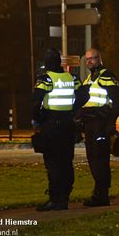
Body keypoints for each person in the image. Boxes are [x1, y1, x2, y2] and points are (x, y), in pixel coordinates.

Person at [31, 48, 89, 211]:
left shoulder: (46, 79)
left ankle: (55, 199)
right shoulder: (72, 78)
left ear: (47, 63)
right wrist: (72, 108)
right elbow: (85, 96)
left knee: (53, 163)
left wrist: (38, 119)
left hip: (51, 124)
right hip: (68, 124)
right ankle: (64, 197)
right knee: (66, 161)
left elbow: (36, 102)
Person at [80, 48, 119, 207]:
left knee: (99, 159)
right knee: (93, 159)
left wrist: (111, 123)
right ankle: (99, 192)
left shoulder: (106, 76)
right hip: (90, 124)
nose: (90, 61)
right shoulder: (90, 79)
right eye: (87, 59)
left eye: (93, 58)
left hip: (100, 124)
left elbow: (116, 100)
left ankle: (102, 194)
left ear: (100, 59)